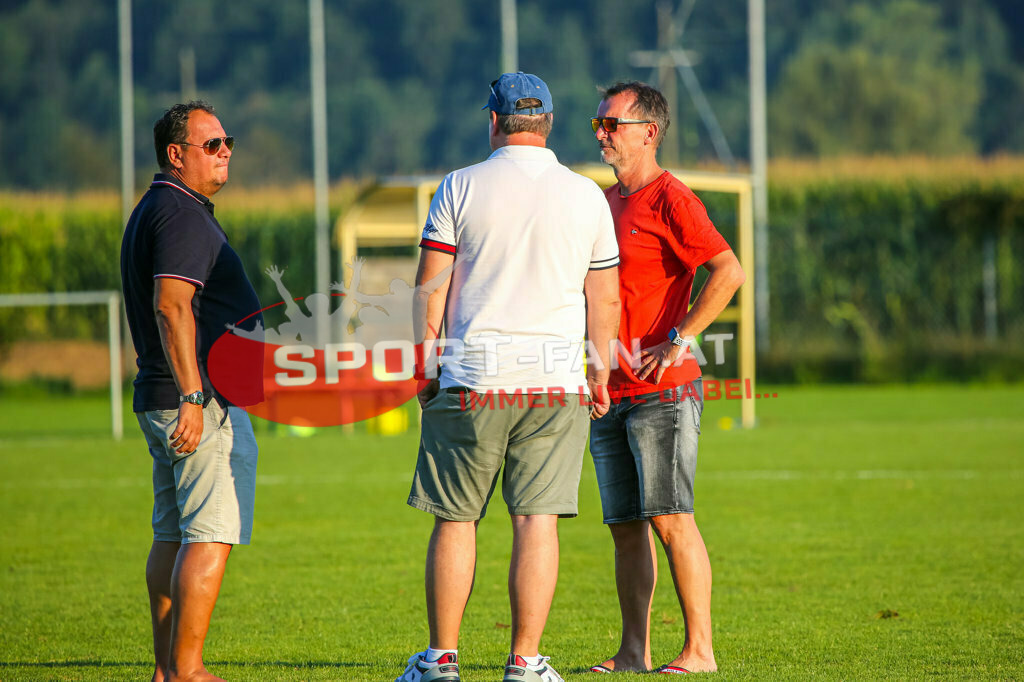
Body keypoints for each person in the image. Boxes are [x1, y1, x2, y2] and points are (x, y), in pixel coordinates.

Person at [397, 72, 621, 682]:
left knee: (457, 519)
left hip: (472, 378)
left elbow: (430, 288)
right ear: (547, 123)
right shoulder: (587, 195)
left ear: (493, 121)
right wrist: (599, 374)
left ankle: (441, 660)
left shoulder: (458, 187)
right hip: (554, 383)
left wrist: (425, 365)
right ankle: (525, 661)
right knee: (536, 521)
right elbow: (604, 300)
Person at [586, 82, 746, 675]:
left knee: (671, 518)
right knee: (626, 529)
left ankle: (699, 650)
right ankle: (635, 652)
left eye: (611, 124)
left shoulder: (672, 198)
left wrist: (681, 336)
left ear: (648, 132)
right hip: (612, 391)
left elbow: (728, 270)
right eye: (597, 124)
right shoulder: (602, 203)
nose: (602, 133)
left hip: (665, 389)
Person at [120, 100, 263, 682]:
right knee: (209, 533)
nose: (225, 151)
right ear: (176, 155)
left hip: (167, 397)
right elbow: (171, 304)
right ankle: (187, 670)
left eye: (228, 142)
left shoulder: (163, 206)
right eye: (211, 145)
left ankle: (166, 668)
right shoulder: (179, 213)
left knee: (173, 535)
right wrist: (195, 395)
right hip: (194, 404)